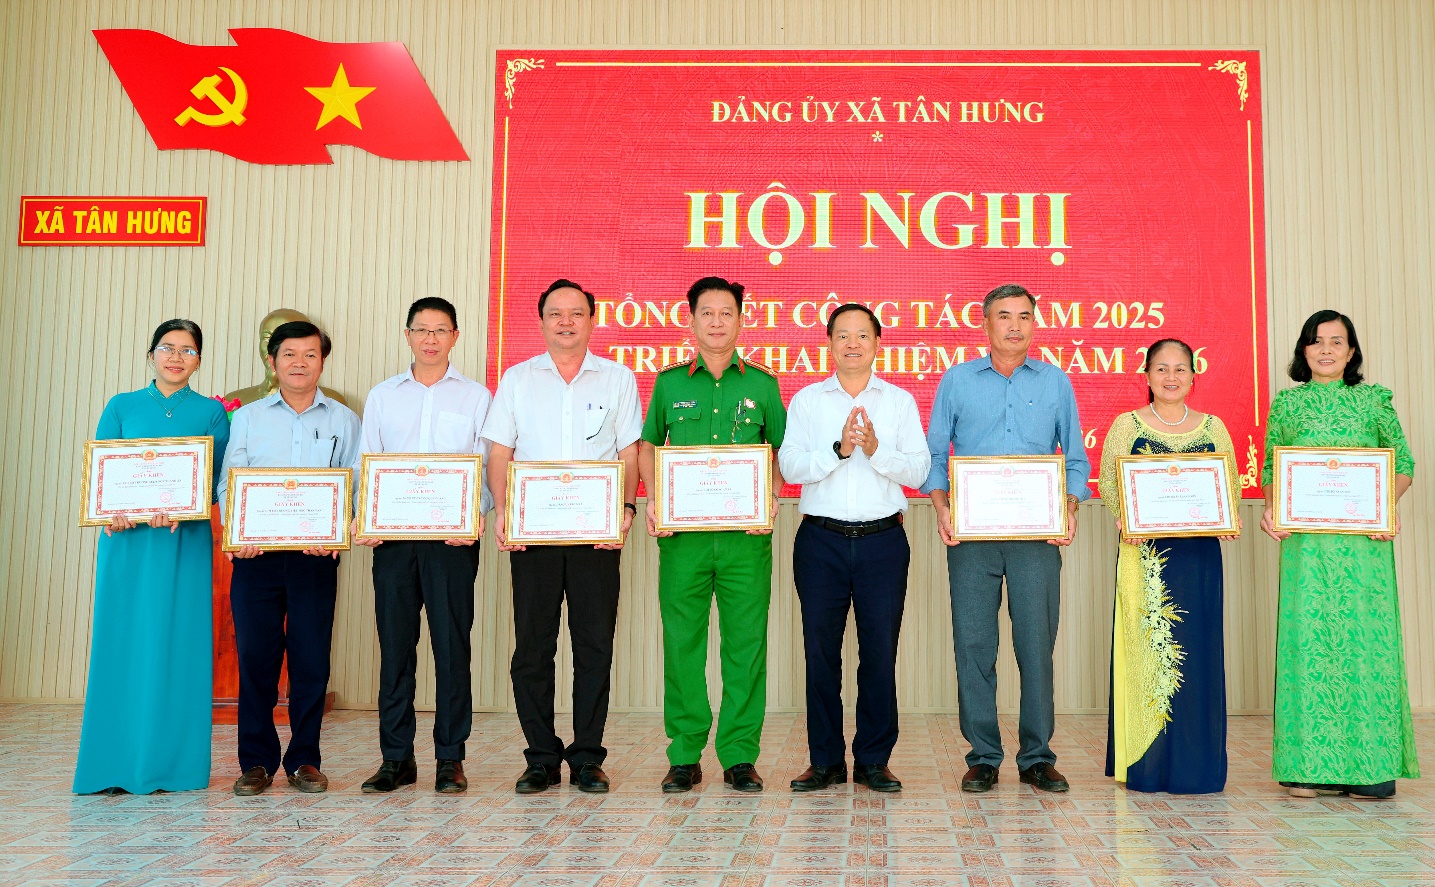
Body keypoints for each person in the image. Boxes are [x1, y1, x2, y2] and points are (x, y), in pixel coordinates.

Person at [921, 283, 1089, 794]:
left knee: (1036, 645)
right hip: (971, 536)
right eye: (1003, 316)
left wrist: (1070, 506)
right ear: (985, 323)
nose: (1014, 325)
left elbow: (1076, 459)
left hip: (1037, 537)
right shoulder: (957, 380)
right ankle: (983, 757)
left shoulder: (1056, 382)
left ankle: (1037, 757)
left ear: (1035, 323)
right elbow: (934, 456)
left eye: (1024, 316)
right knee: (974, 644)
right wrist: (942, 507)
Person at [483, 279, 642, 794]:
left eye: (576, 313)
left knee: (594, 646)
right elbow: (500, 452)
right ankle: (540, 757)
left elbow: (629, 451)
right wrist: (504, 511)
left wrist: (626, 508)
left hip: (597, 535)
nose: (566, 321)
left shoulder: (617, 379)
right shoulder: (517, 379)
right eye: (556, 313)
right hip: (534, 535)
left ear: (592, 320)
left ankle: (588, 757)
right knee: (533, 648)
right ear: (542, 321)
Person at [1260, 310, 1417, 800]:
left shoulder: (1374, 400)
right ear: (1303, 351)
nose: (1326, 349)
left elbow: (1404, 464)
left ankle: (1370, 768)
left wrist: (1383, 508)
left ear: (1351, 352)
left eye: (1336, 341)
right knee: (1309, 646)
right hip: (1307, 549)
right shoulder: (1288, 404)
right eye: (1316, 341)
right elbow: (1272, 470)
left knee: (1364, 646)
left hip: (1364, 548)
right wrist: (1271, 510)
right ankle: (1307, 765)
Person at [639, 276, 786, 793]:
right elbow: (649, 445)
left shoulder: (763, 385)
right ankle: (684, 754)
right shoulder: (669, 384)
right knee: (682, 644)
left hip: (746, 539)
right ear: (691, 321)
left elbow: (781, 451)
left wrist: (769, 496)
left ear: (741, 321)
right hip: (685, 540)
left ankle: (739, 755)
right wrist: (655, 499)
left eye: (727, 313)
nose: (717, 322)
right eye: (707, 313)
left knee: (745, 647)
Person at [73, 320, 231, 794]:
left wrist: (185, 506)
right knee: (122, 642)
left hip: (183, 541)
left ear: (199, 360)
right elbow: (103, 473)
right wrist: (112, 512)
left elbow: (216, 481)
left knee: (178, 644)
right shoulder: (120, 406)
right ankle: (110, 766)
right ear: (151, 355)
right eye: (168, 347)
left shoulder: (212, 413)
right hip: (127, 542)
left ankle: (174, 768)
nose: (176, 357)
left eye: (188, 350)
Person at [777, 304, 929, 793]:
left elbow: (919, 470)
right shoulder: (807, 400)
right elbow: (789, 466)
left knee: (879, 653)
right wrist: (839, 451)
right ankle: (824, 761)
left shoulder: (899, 402)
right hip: (820, 541)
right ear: (829, 343)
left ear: (878, 343)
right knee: (820, 654)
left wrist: (876, 450)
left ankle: (873, 759)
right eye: (842, 335)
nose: (852, 344)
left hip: (883, 542)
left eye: (862, 335)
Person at [354, 297, 493, 794]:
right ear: (407, 335)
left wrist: (474, 515)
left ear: (455, 336)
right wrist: (366, 514)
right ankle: (396, 758)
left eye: (440, 329)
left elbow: (485, 467)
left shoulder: (477, 397)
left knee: (452, 648)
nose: (430, 338)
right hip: (393, 540)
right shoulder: (383, 396)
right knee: (395, 649)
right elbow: (367, 461)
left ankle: (450, 758)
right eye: (421, 329)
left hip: (452, 540)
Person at [218, 320, 361, 796]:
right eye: (290, 354)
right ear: (273, 361)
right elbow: (230, 480)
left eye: (310, 354)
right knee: (256, 661)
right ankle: (256, 762)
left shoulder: (344, 420)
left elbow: (355, 484)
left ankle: (305, 760)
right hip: (255, 556)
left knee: (310, 662)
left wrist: (339, 529)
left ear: (323, 361)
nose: (300, 363)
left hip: (314, 557)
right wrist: (238, 533)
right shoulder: (248, 417)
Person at [1098, 339, 1240, 794]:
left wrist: (1226, 516)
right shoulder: (1127, 425)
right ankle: (1149, 765)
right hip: (1145, 556)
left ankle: (1198, 766)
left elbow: (1230, 486)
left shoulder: (1214, 427)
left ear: (1194, 375)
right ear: (1147, 375)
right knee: (1148, 654)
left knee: (1196, 653)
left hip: (1199, 559)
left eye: (1180, 368)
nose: (1171, 377)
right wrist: (1125, 515)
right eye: (1161, 368)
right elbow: (1110, 483)